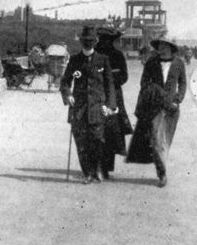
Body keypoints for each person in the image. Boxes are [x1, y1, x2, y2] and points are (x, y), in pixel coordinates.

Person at [126, 37, 187, 187]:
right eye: (160, 46)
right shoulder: (151, 62)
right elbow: (144, 82)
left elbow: (183, 83)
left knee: (165, 140)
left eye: (165, 46)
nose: (162, 48)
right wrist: (154, 92)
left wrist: (177, 100)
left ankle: (162, 169)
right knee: (156, 139)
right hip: (155, 107)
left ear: (171, 48)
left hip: (171, 108)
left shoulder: (179, 63)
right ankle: (162, 174)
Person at [60, 26, 116, 184]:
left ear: (95, 41)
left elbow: (109, 84)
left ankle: (96, 169)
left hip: (97, 108)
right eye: (85, 41)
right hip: (79, 110)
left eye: (91, 41)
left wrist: (109, 105)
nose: (88, 43)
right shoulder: (75, 60)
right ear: (81, 42)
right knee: (82, 143)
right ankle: (87, 173)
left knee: (98, 140)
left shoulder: (103, 60)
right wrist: (68, 95)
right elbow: (65, 82)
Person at [93, 24, 131, 180]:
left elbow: (125, 76)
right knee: (96, 129)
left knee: (112, 130)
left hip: (114, 96)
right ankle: (98, 166)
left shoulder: (118, 55)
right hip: (96, 95)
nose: (104, 42)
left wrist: (112, 81)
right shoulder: (94, 54)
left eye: (107, 39)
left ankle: (107, 166)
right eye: (102, 39)